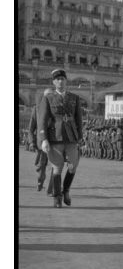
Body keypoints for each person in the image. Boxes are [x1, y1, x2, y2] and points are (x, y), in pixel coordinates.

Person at [37, 69, 83, 208]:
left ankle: (66, 190)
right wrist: (43, 138)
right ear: (53, 82)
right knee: (57, 167)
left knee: (73, 165)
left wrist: (80, 137)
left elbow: (78, 119)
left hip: (71, 137)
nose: (60, 81)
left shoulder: (74, 98)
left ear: (66, 81)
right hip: (55, 137)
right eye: (57, 79)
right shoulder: (48, 98)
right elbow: (42, 120)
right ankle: (57, 197)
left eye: (62, 79)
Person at [28, 89, 54, 191]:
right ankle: (40, 180)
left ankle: (51, 188)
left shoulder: (57, 109)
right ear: (44, 97)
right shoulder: (36, 109)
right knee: (41, 166)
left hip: (55, 143)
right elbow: (31, 129)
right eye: (47, 96)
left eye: (51, 96)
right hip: (41, 143)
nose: (49, 98)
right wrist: (31, 142)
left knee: (55, 166)